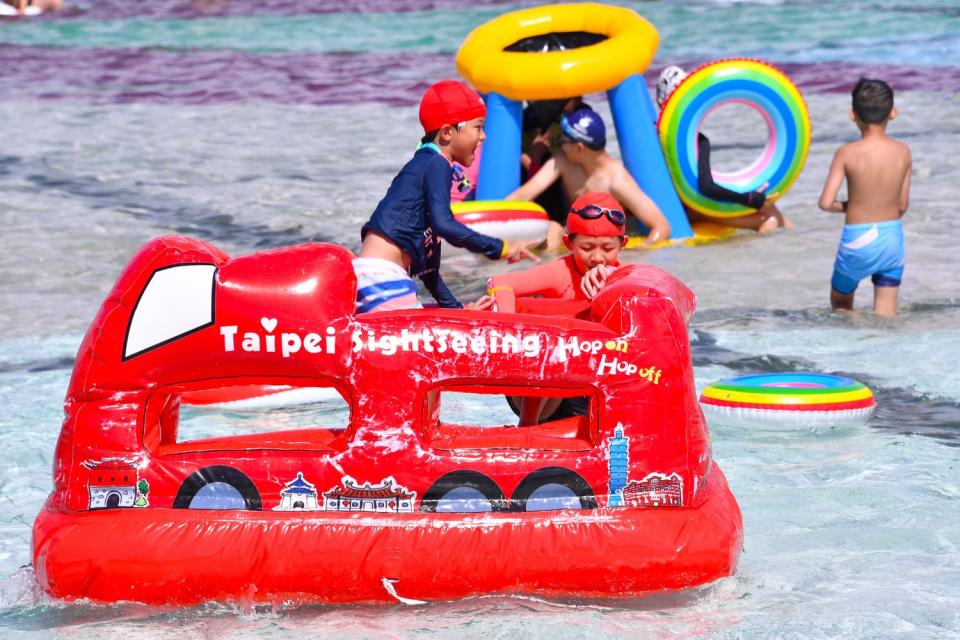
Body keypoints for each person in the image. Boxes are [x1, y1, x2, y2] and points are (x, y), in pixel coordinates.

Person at [355, 80, 541, 313]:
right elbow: (445, 225)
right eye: (478, 127)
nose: (483, 137)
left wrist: (459, 312)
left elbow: (429, 273)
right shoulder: (436, 164)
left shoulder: (426, 172)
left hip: (371, 278)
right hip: (382, 278)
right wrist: (500, 247)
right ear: (446, 132)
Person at [487, 192, 628, 424]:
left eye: (607, 248)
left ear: (623, 245)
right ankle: (526, 431)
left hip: (587, 388)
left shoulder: (623, 276)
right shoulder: (559, 272)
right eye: (587, 247)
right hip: (537, 395)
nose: (597, 257)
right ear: (568, 243)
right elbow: (499, 283)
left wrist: (613, 282)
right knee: (554, 349)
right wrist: (509, 336)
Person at [507, 108, 671, 249]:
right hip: (571, 235)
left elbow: (661, 227)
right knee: (551, 229)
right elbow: (523, 195)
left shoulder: (617, 180)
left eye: (563, 140)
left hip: (601, 243)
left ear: (580, 147)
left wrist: (635, 253)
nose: (560, 145)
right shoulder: (563, 161)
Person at [656, 65, 792, 234]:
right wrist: (749, 199)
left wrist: (750, 198)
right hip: (693, 210)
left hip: (674, 209)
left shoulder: (653, 134)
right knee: (771, 217)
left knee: (774, 211)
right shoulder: (698, 140)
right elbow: (706, 187)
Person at [818, 78, 911, 317]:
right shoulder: (903, 152)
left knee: (841, 300)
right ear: (893, 112)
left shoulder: (846, 153)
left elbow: (825, 203)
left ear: (852, 114)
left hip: (858, 239)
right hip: (892, 238)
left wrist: (850, 206)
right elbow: (902, 206)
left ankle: (855, 328)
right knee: (887, 314)